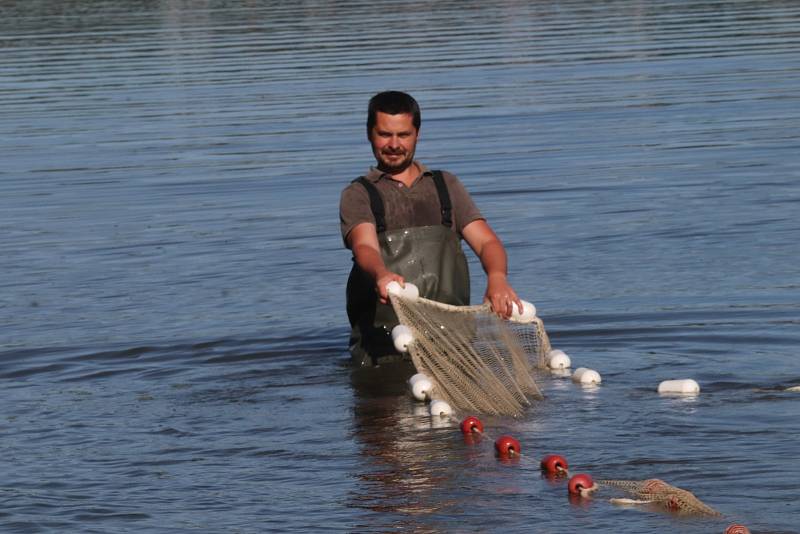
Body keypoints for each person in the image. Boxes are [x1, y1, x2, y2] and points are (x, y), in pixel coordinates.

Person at [340, 91, 523, 366]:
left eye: (403, 135)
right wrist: (380, 273)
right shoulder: (358, 193)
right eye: (384, 134)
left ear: (417, 134)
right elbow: (364, 245)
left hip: (452, 347)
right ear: (369, 134)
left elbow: (487, 243)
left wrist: (497, 278)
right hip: (383, 351)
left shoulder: (445, 185)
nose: (393, 144)